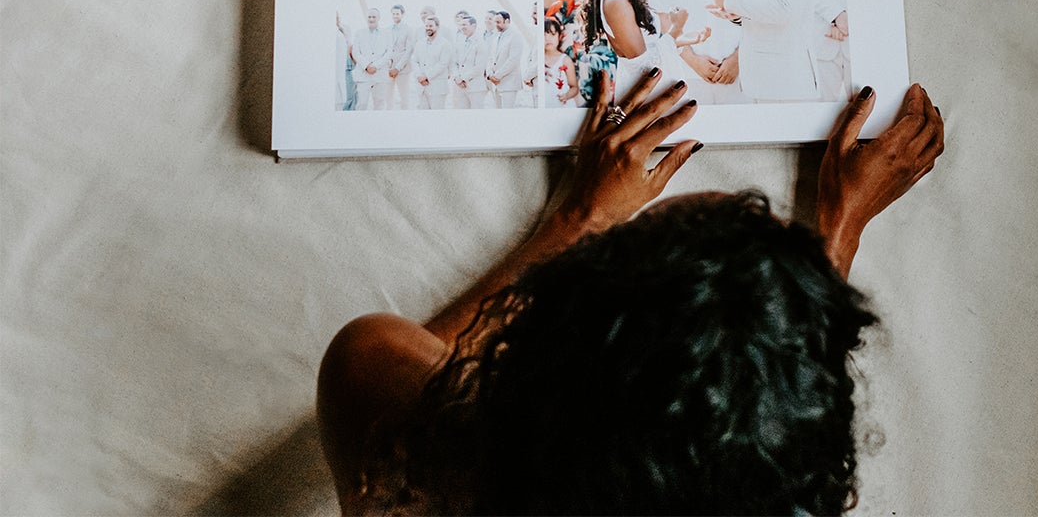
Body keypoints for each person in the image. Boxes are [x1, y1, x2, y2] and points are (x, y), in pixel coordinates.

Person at [318, 72, 945, 515]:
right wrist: (836, 232)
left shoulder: (423, 474)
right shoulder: (766, 488)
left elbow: (372, 354)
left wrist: (579, 222)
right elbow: (757, 415)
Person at [350, 8, 394, 110]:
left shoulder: (387, 33)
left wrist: (376, 66)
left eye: (374, 17)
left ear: (379, 18)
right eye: (369, 16)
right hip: (363, 74)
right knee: (362, 103)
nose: (371, 19)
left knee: (379, 104)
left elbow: (389, 52)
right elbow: (355, 52)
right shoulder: (359, 32)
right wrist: (366, 66)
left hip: (380, 74)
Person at [412, 15, 451, 109]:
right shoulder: (419, 43)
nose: (428, 28)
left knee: (437, 117)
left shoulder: (445, 44)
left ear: (437, 26)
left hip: (437, 87)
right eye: (426, 26)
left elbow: (442, 64)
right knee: (423, 117)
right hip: (422, 87)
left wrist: (426, 77)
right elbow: (414, 61)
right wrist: (419, 76)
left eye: (431, 26)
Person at [486, 10, 523, 108]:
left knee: (508, 113)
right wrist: (490, 75)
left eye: (498, 22)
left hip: (509, 83)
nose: (496, 25)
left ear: (507, 21)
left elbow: (513, 60)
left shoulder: (516, 36)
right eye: (495, 22)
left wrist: (497, 76)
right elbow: (490, 57)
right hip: (495, 83)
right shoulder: (496, 36)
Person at [450, 15, 488, 109]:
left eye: (465, 24)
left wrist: (463, 78)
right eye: (461, 25)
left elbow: (479, 67)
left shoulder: (481, 43)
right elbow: (454, 62)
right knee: (461, 115)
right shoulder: (459, 42)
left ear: (474, 26)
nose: (462, 27)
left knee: (476, 116)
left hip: (475, 86)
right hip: (460, 87)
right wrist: (456, 78)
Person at [542, 18, 578, 107]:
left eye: (553, 34)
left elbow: (574, 87)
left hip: (561, 106)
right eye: (544, 35)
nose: (548, 39)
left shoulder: (565, 60)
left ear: (559, 36)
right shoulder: (538, 60)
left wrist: (566, 96)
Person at [386, 5, 417, 110]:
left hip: (403, 69)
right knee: (388, 97)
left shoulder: (408, 29)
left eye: (397, 14)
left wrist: (397, 68)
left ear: (402, 14)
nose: (395, 16)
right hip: (388, 68)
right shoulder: (387, 29)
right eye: (393, 14)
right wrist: (388, 65)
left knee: (404, 97)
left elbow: (409, 51)